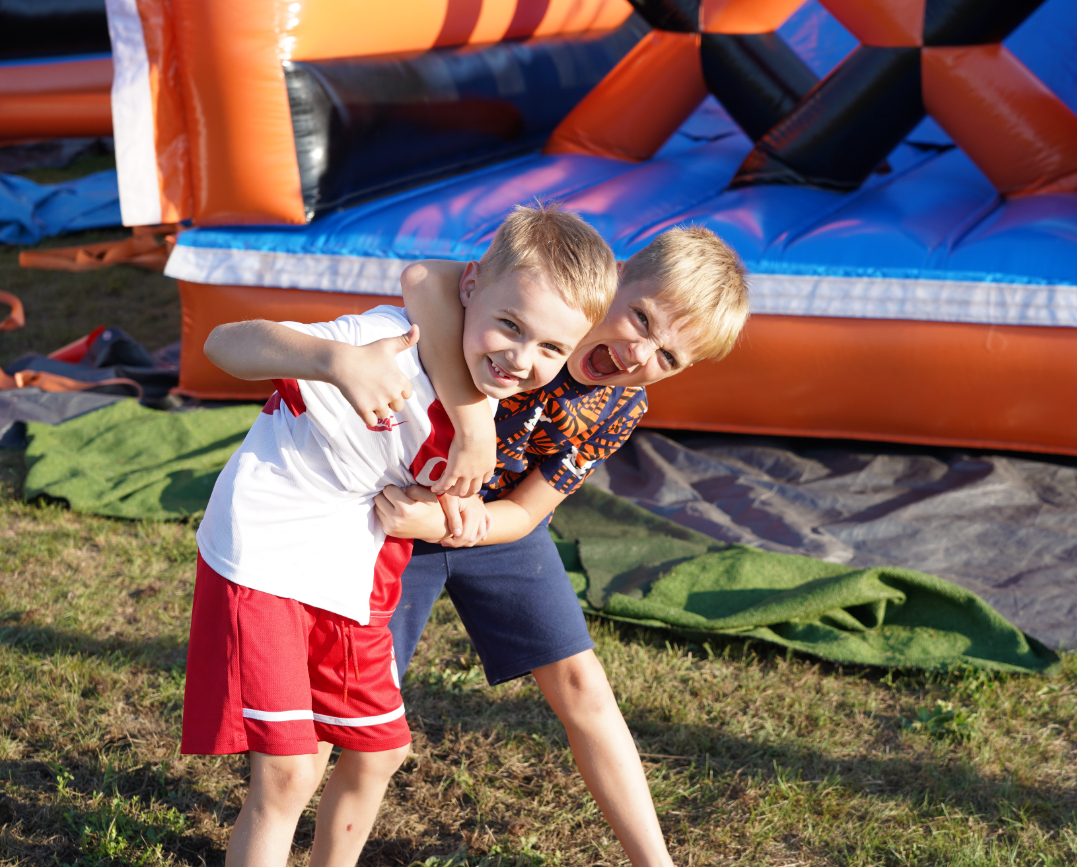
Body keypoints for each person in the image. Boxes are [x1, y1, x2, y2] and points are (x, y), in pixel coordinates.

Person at [180, 204, 616, 867]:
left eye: (551, 348)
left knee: (381, 748)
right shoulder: (390, 344)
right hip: (267, 557)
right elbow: (224, 344)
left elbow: (455, 494)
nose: (522, 358)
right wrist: (335, 360)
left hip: (350, 568)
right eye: (510, 325)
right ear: (470, 288)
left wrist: (459, 516)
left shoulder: (490, 389)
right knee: (290, 772)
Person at [376, 226, 750, 867]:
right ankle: (281, 822)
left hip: (482, 525)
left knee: (583, 683)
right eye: (640, 317)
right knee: (366, 699)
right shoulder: (537, 298)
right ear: (613, 277)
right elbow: (423, 279)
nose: (638, 353)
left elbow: (524, 514)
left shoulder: (617, 406)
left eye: (669, 358)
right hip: (396, 506)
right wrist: (471, 424)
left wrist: (448, 526)